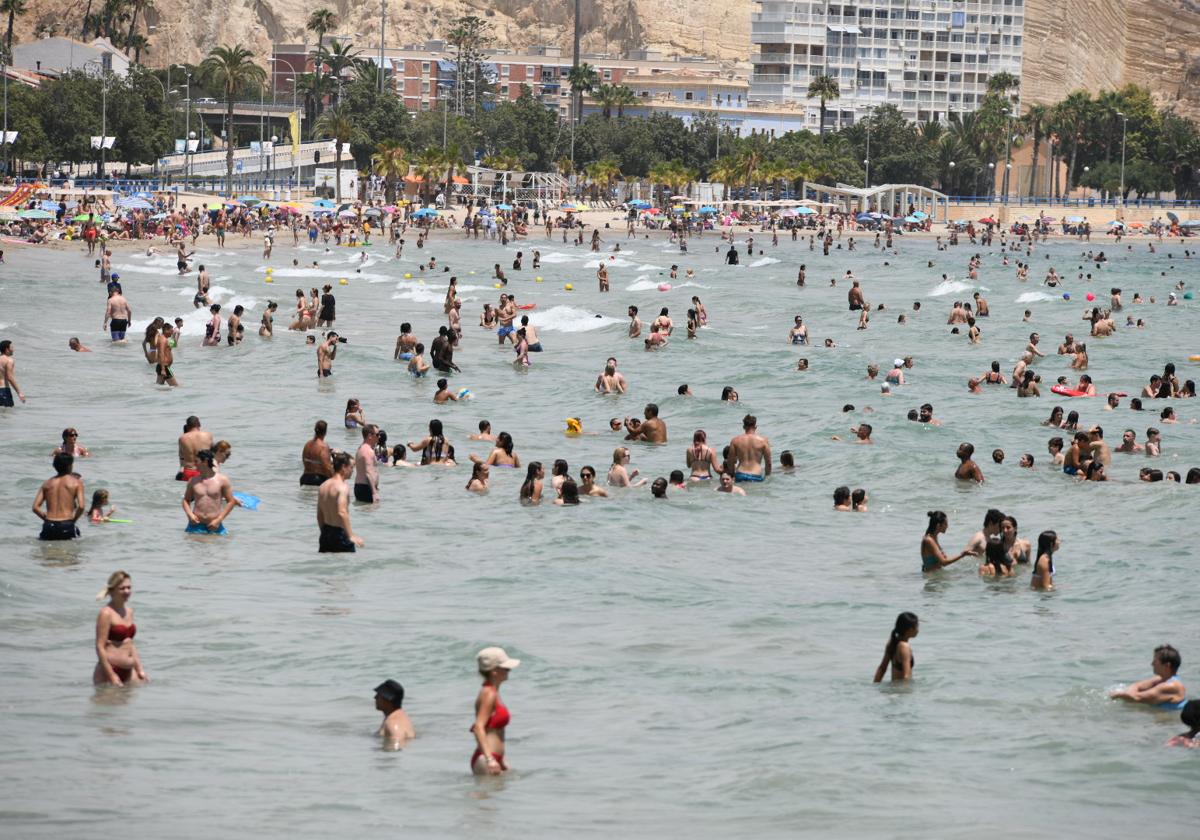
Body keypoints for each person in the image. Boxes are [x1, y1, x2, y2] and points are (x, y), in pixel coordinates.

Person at [93, 571, 148, 686]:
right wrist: (111, 675)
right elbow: (100, 646)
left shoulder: (129, 611)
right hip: (109, 671)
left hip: (129, 671)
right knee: (110, 702)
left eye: (129, 587)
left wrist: (140, 670)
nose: (127, 591)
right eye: (122, 588)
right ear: (112, 591)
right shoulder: (106, 613)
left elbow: (130, 643)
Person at [472, 646, 520, 774]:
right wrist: (490, 759)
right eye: (506, 668)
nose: (509, 671)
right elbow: (478, 727)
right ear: (494, 671)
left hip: (495, 757)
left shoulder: (493, 692)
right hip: (488, 759)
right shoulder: (489, 693)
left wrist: (501, 758)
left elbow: (494, 730)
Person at [1110, 645, 1187, 709]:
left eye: (1155, 661)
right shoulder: (1161, 679)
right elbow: (1136, 685)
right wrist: (1128, 694)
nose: (1152, 664)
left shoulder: (1171, 686)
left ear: (1167, 665)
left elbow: (1136, 698)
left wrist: (1117, 694)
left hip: (1170, 722)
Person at [318, 451, 363, 552]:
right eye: (351, 467)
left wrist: (324, 533)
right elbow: (342, 512)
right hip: (339, 534)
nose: (352, 471)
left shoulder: (323, 486)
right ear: (343, 467)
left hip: (325, 534)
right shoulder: (342, 487)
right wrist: (351, 536)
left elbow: (319, 514)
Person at [32, 453, 85, 540]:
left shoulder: (47, 483)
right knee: (71, 552)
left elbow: (35, 508)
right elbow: (81, 506)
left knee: (46, 552)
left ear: (54, 466)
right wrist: (73, 520)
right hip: (66, 523)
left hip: (49, 524)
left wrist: (46, 519)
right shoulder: (76, 483)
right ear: (70, 466)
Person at [182, 450, 236, 535]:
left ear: (205, 461)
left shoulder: (222, 480)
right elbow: (186, 500)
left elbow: (231, 501)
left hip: (215, 525)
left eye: (197, 461)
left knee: (221, 546)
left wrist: (219, 520)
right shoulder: (193, 481)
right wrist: (190, 515)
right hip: (195, 525)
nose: (194, 464)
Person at [873, 612, 918, 682]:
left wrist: (874, 687)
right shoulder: (904, 646)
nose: (918, 629)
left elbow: (882, 668)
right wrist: (907, 691)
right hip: (901, 691)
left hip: (895, 689)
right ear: (910, 629)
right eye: (917, 626)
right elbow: (906, 675)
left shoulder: (892, 643)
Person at [728, 414, 771, 482]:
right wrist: (767, 477)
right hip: (756, 475)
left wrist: (732, 476)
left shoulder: (735, 441)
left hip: (740, 474)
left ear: (743, 427)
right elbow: (768, 463)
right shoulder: (763, 441)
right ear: (756, 426)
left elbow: (730, 462)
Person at [374, 679, 414, 748]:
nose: (375, 697)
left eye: (379, 695)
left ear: (387, 699)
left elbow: (397, 745)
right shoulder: (400, 716)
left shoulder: (393, 723)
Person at [177, 416, 213, 480]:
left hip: (189, 471)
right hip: (204, 472)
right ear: (199, 424)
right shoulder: (208, 435)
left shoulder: (182, 438)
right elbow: (213, 454)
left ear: (187, 426)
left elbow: (181, 457)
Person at [301, 420, 333, 486]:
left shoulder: (307, 444)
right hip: (317, 480)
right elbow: (327, 467)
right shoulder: (324, 446)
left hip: (304, 478)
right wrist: (336, 479)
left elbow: (304, 461)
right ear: (325, 432)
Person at [355, 425, 381, 503]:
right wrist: (374, 492)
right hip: (366, 488)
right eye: (377, 434)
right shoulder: (367, 451)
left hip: (361, 487)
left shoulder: (361, 448)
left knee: (364, 513)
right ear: (370, 436)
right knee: (372, 513)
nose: (379, 437)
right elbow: (369, 472)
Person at [0, 339, 25, 406]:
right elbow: (10, 377)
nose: (14, 349)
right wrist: (19, 392)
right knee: (7, 415)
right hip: (3, 390)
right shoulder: (9, 360)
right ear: (7, 349)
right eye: (12, 347)